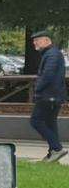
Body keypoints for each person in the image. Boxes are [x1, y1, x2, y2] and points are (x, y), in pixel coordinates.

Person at [30, 30, 65, 162]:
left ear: (47, 40)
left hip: (48, 95)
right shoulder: (52, 53)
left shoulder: (52, 54)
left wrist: (37, 89)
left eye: (37, 40)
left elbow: (47, 75)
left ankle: (56, 148)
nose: (34, 43)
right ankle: (52, 154)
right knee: (50, 123)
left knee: (36, 121)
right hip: (53, 95)